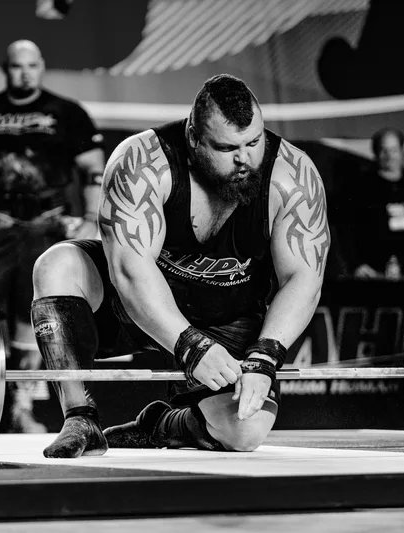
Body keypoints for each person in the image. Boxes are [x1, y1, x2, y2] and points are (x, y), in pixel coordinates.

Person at [30, 74, 331, 458]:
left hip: (228, 316)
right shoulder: (142, 162)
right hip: (139, 304)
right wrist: (188, 344)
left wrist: (265, 356)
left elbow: (304, 277)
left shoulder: (293, 175)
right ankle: (80, 417)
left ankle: (159, 424)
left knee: (246, 430)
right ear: (193, 137)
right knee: (56, 265)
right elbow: (130, 271)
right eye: (226, 148)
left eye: (254, 142)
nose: (244, 159)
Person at [0, 40, 106, 433]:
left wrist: (91, 218)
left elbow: (94, 168)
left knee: (39, 316)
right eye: (17, 66)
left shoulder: (68, 113)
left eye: (32, 65)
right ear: (5, 68)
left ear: (42, 66)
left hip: (47, 224)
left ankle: (22, 408)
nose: (25, 72)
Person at [339, 128, 404, 280]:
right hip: (372, 274)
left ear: (402, 151)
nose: (389, 156)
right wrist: (356, 264)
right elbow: (346, 229)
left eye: (394, 150)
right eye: (384, 150)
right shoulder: (360, 187)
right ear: (375, 152)